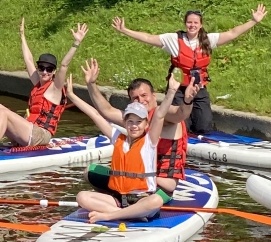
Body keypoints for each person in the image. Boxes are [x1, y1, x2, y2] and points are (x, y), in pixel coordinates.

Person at [111, 5, 267, 135]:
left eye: (195, 23)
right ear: (185, 23)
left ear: (200, 24)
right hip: (179, 90)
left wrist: (253, 21)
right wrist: (125, 30)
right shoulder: (173, 40)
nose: (192, 26)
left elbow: (232, 33)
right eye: (189, 22)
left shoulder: (208, 40)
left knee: (204, 126)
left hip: (198, 89)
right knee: (180, 124)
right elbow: (148, 38)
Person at [63, 69, 194, 223]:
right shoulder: (119, 138)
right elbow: (97, 115)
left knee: (155, 201)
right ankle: (127, 213)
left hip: (145, 196)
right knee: (82, 196)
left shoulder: (149, 141)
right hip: (122, 197)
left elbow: (161, 115)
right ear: (124, 123)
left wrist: (173, 92)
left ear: (146, 124)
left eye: (139, 122)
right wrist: (72, 95)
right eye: (130, 122)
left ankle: (110, 214)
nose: (134, 126)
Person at [0, 20, 87, 158]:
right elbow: (28, 59)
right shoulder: (38, 83)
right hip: (26, 131)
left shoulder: (55, 88)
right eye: (41, 68)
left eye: (49, 69)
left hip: (40, 135)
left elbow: (64, 65)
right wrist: (22, 36)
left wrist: (76, 43)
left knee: (3, 112)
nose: (45, 72)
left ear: (53, 72)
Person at [78, 58, 192, 195]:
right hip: (141, 180)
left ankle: (121, 200)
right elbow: (106, 111)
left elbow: (180, 113)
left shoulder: (163, 114)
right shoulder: (135, 119)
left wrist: (188, 100)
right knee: (90, 172)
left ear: (154, 96)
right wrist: (91, 84)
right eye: (135, 98)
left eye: (144, 95)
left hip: (163, 184)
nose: (141, 101)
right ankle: (119, 199)